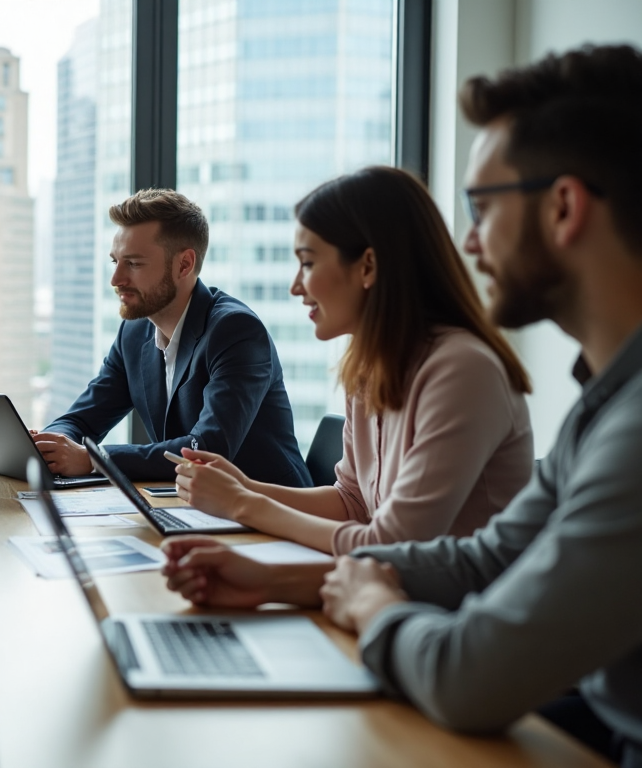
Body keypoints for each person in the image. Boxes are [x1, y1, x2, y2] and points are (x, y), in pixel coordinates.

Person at [162, 44, 642, 765]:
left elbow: (467, 674)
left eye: (482, 207)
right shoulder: (604, 406)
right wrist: (280, 582)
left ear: (564, 207)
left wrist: (366, 600)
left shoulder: (618, 426)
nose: (471, 240)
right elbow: (486, 560)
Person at [169, 167, 533, 554]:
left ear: (368, 266)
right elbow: (354, 503)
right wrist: (243, 486)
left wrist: (244, 504)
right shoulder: (368, 367)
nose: (296, 286)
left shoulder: (463, 370)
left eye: (307, 263)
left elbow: (392, 543)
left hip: (454, 609)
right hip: (385, 596)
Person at [33, 189, 309, 484]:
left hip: (269, 512)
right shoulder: (135, 331)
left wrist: (93, 460)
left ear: (184, 265)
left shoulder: (236, 331)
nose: (116, 280)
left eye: (135, 264)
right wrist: (48, 445)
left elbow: (205, 450)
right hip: (191, 506)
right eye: (116, 262)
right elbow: (82, 419)